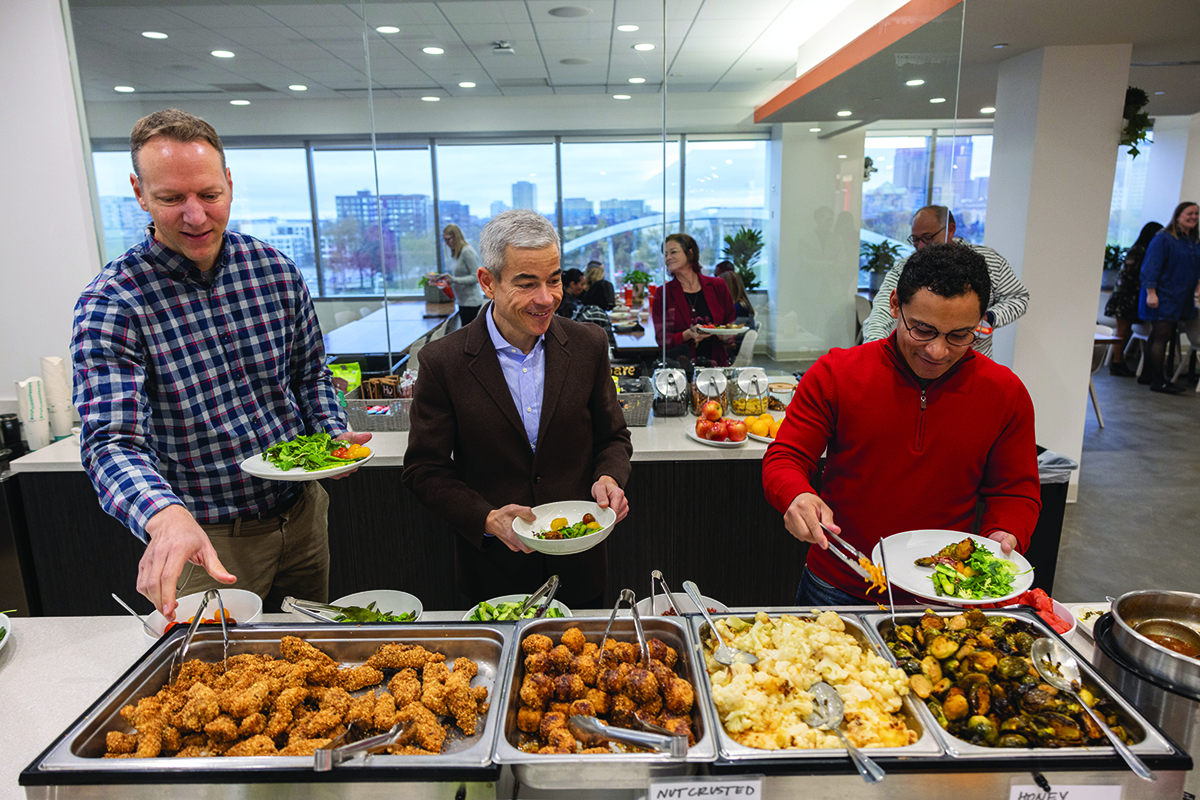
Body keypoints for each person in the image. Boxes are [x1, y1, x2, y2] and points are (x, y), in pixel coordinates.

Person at [70, 108, 370, 621]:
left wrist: (330, 436)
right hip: (206, 540)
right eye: (171, 199)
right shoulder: (113, 302)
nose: (195, 215)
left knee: (310, 663)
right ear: (140, 194)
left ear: (229, 182)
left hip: (301, 516)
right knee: (219, 682)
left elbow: (309, 375)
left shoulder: (274, 271)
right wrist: (164, 517)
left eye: (209, 195)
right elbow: (110, 442)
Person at [763, 243, 1041, 606]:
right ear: (895, 305)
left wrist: (1006, 532)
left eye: (959, 335)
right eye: (922, 329)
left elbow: (1015, 491)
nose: (937, 351)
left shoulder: (1005, 393)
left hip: (942, 593)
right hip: (837, 583)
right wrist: (796, 495)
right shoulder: (836, 374)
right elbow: (786, 456)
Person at [402, 209, 632, 607]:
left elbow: (612, 437)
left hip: (581, 567)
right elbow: (425, 470)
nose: (546, 299)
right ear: (488, 282)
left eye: (554, 280)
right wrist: (487, 518)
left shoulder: (588, 345)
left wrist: (609, 476)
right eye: (527, 284)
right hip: (494, 574)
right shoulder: (443, 362)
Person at [862, 206, 1029, 358]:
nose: (920, 245)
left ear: (950, 230)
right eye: (915, 239)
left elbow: (1018, 298)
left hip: (971, 366)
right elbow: (879, 316)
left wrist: (991, 318)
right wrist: (877, 357)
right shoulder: (905, 268)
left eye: (927, 238)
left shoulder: (990, 261)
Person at [1138, 202, 1200, 394]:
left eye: (1197, 214)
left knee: (1157, 335)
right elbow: (1151, 267)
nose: (1194, 217)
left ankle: (1147, 375)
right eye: (1189, 213)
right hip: (1161, 295)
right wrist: (1151, 292)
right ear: (1178, 215)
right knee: (1162, 336)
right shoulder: (1163, 238)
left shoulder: (1193, 240)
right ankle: (1158, 381)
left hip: (1180, 297)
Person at [650, 233, 736, 366]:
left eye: (673, 252)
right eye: (665, 254)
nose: (668, 258)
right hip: (680, 369)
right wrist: (687, 334)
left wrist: (727, 336)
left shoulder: (718, 286)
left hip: (716, 366)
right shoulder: (662, 294)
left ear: (690, 254)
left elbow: (730, 323)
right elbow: (661, 339)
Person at [1105, 221, 1162, 377]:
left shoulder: (1143, 250)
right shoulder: (1138, 251)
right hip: (1126, 296)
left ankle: (1118, 362)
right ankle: (1117, 363)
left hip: (1129, 296)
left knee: (1125, 331)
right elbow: (1129, 275)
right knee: (1122, 331)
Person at [439, 223, 485, 325]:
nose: (446, 243)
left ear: (456, 237)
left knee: (468, 337)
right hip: (462, 301)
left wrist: (454, 280)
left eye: (448, 239)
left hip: (471, 302)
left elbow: (476, 277)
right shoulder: (457, 253)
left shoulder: (467, 252)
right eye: (444, 240)